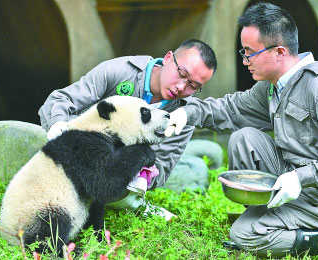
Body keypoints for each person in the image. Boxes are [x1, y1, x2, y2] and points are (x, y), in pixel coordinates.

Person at [166, 3, 318, 259]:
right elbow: (231, 109)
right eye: (243, 51)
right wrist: (188, 113)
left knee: (243, 234)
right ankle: (270, 218)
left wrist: (300, 178)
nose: (244, 60)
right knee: (244, 139)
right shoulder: (273, 87)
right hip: (295, 186)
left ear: (279, 52)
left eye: (249, 52)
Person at [38, 39, 217, 221]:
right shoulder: (119, 71)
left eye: (193, 86)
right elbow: (60, 101)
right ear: (168, 58)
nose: (181, 87)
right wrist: (58, 127)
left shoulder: (184, 113)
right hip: (79, 151)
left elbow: (162, 165)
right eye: (181, 73)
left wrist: (134, 175)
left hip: (121, 175)